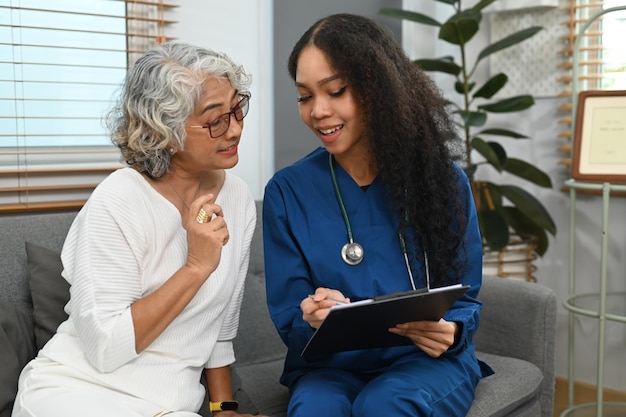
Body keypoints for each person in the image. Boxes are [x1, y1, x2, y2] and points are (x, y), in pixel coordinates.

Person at [12, 42, 264, 417]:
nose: (236, 129)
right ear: (163, 129)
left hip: (170, 405)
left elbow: (219, 327)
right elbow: (106, 348)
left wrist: (223, 407)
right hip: (76, 393)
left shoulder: (238, 197)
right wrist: (196, 266)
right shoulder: (118, 199)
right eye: (216, 120)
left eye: (237, 108)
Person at [262, 14, 493, 417]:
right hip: (329, 368)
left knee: (386, 404)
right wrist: (313, 316)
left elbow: (464, 291)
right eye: (304, 96)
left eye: (335, 91)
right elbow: (290, 315)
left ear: (377, 88)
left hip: (425, 361)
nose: (317, 110)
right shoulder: (287, 191)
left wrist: (451, 330)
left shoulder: (441, 179)